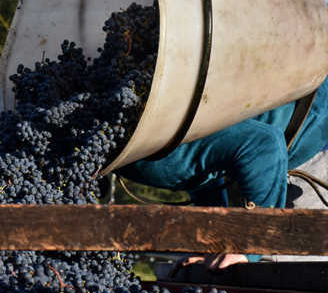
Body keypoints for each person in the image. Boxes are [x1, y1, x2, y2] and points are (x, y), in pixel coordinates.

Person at [117, 77, 328, 271]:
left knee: (301, 265)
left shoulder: (146, 155)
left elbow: (263, 144)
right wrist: (213, 243)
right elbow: (205, 164)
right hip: (299, 126)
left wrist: (252, 244)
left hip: (314, 124)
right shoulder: (142, 148)